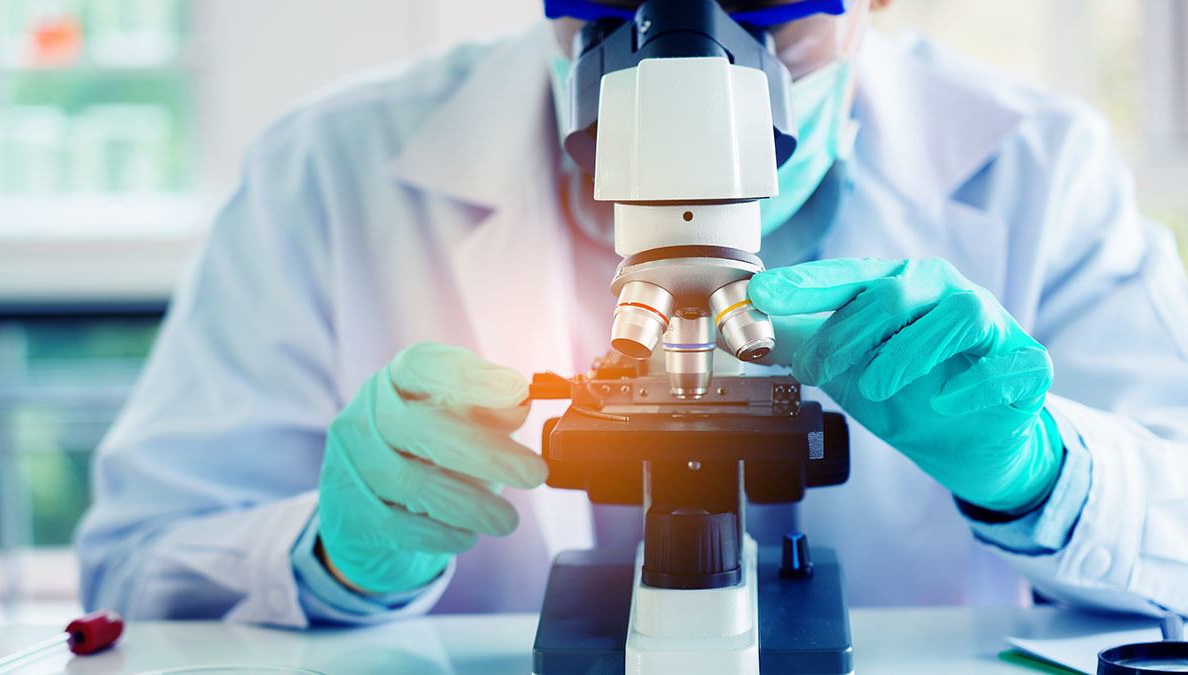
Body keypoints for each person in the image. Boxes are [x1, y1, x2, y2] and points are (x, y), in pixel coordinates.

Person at [76, 0, 1188, 627]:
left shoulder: (1037, 161)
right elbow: (131, 583)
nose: (694, 65)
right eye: (611, 20)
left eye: (773, 25)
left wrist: (1040, 467)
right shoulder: (326, 167)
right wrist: (337, 558)